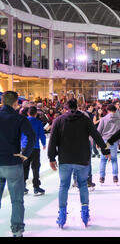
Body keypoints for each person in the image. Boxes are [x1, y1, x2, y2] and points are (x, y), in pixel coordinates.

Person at [48, 98, 110, 229]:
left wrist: (51, 157)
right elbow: (96, 134)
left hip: (65, 159)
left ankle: (62, 214)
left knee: (63, 186)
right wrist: (105, 149)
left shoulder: (58, 120)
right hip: (82, 159)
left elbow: (52, 140)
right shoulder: (85, 119)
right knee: (82, 185)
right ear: (77, 107)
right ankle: (85, 213)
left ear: (65, 108)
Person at [0, 91, 36, 237]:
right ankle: (17, 230)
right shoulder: (19, 118)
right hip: (13, 162)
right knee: (16, 200)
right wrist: (25, 154)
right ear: (16, 103)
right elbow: (31, 137)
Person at [21, 106, 46, 196]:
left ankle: (22, 187)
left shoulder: (23, 121)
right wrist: (44, 143)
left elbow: (19, 133)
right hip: (35, 147)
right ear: (36, 114)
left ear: (28, 113)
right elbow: (41, 134)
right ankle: (36, 187)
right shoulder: (38, 122)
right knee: (35, 167)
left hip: (24, 147)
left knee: (24, 166)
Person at [97, 104, 120, 185]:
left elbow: (98, 131)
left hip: (105, 141)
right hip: (113, 141)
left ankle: (102, 177)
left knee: (103, 160)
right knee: (114, 160)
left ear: (108, 110)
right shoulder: (119, 120)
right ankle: (115, 177)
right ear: (115, 110)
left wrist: (98, 142)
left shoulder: (104, 119)